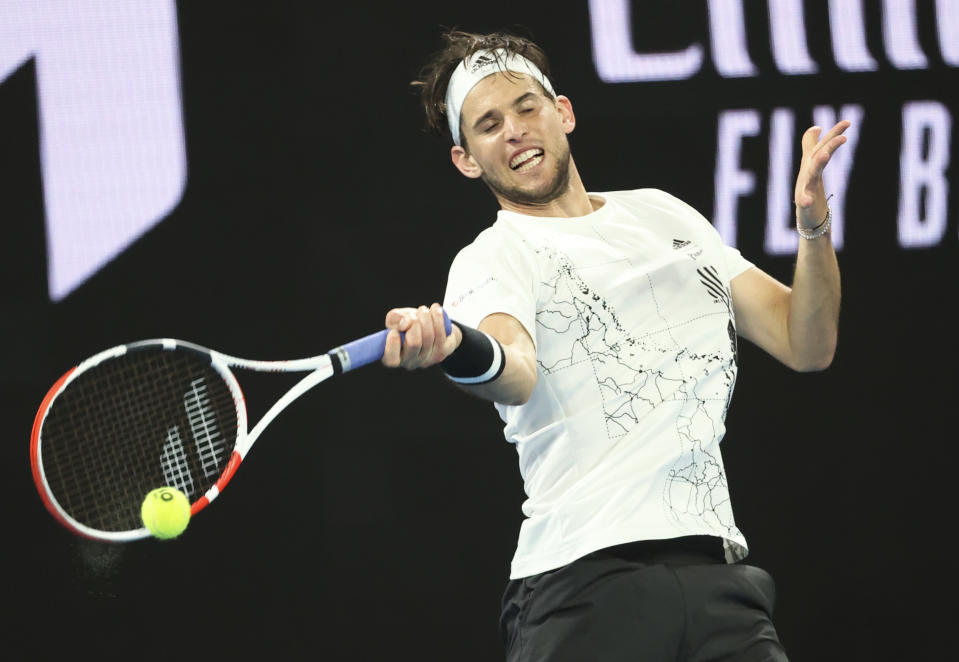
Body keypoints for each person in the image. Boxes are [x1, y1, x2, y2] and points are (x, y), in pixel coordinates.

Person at [381, 30, 844, 662]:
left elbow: (806, 341)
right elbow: (513, 370)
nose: (514, 129)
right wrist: (454, 346)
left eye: (525, 106)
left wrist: (813, 226)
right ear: (468, 159)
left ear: (562, 112)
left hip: (721, 584)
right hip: (585, 588)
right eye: (488, 124)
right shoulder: (492, 256)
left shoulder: (665, 216)